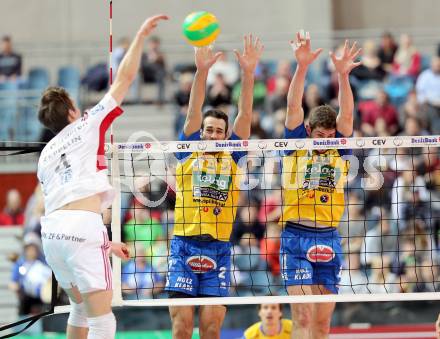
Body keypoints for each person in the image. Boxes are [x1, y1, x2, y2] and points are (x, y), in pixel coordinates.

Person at [36, 14, 168, 339]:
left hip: (52, 235)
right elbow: (123, 79)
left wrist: (106, 244)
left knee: (80, 309)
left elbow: (69, 209)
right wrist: (139, 36)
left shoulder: (45, 155)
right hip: (81, 229)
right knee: (103, 322)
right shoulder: (86, 123)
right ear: (71, 111)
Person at [165, 35, 263, 339]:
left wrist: (248, 73)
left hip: (218, 248)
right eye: (209, 130)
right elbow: (194, 110)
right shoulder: (188, 150)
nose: (212, 134)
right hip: (183, 246)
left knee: (211, 329)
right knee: (181, 329)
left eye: (219, 131)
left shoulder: (233, 156)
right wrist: (201, 71)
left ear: (225, 136)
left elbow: (245, 115)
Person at [279, 31, 360, 339]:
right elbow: (292, 106)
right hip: (295, 237)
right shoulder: (297, 144)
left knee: (322, 324)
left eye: (330, 137)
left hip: (328, 236)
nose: (325, 143)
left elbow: (348, 114)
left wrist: (343, 75)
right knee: (301, 316)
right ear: (309, 131)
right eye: (320, 137)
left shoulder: (338, 149)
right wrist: (301, 67)